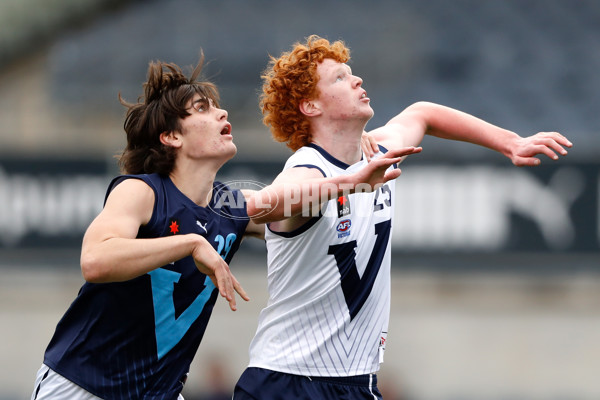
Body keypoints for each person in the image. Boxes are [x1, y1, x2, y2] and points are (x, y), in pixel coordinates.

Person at [233, 35, 572, 399]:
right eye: (340, 78)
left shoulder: (377, 154)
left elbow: (423, 113)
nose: (357, 80)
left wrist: (510, 142)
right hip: (288, 382)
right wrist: (349, 183)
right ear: (311, 105)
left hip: (355, 382)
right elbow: (261, 206)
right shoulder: (308, 170)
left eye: (351, 73)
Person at [31, 54, 264, 400]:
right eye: (202, 108)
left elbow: (303, 198)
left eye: (217, 107)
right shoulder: (141, 191)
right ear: (171, 136)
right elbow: (94, 260)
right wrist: (191, 244)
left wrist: (359, 160)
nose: (222, 113)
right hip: (83, 386)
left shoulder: (231, 207)